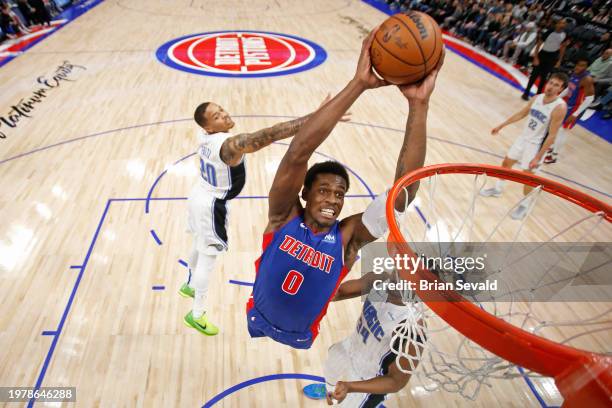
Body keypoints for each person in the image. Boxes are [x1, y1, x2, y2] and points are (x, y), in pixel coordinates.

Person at [246, 28, 444, 349]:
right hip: (257, 315)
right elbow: (298, 152)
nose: (333, 200)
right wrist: (359, 84)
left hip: (302, 334)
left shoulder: (347, 238)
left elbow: (401, 196)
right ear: (305, 193)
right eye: (324, 190)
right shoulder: (283, 215)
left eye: (340, 194)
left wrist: (418, 106)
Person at [180, 97, 350, 336]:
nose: (225, 115)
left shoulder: (204, 136)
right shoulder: (227, 146)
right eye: (217, 117)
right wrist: (316, 117)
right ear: (208, 127)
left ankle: (188, 283)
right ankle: (196, 314)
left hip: (198, 193)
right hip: (211, 205)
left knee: (198, 242)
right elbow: (267, 135)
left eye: (221, 109)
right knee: (208, 258)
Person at [319, 272, 425, 406]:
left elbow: (396, 381)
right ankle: (331, 394)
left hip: (368, 379)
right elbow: (338, 292)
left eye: (403, 280)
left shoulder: (412, 328)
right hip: (351, 346)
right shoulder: (379, 280)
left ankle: (339, 396)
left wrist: (350, 387)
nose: (395, 279)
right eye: (397, 272)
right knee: (331, 366)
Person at [480, 72, 568, 220]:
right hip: (523, 138)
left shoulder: (559, 107)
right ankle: (497, 189)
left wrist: (538, 157)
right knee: (506, 163)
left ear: (561, 90)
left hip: (536, 145)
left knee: (528, 178)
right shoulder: (537, 98)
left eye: (556, 85)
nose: (551, 87)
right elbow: (521, 114)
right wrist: (502, 125)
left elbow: (552, 135)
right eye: (551, 83)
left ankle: (525, 205)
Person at [544, 56, 594, 163]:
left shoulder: (587, 79)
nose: (579, 67)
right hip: (568, 105)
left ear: (586, 67)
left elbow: (590, 99)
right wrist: (557, 98)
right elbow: (569, 88)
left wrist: (576, 114)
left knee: (562, 131)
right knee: (557, 128)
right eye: (578, 64)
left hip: (576, 109)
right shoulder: (575, 73)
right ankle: (552, 148)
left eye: (582, 65)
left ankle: (554, 156)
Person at [521, 18, 569, 100]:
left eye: (564, 23)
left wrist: (559, 60)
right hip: (543, 54)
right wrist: (536, 57)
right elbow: (539, 43)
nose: (562, 25)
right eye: (561, 23)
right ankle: (526, 93)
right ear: (557, 24)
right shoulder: (549, 32)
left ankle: (538, 96)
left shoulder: (565, 34)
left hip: (553, 56)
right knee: (534, 75)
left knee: (544, 77)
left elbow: (563, 47)